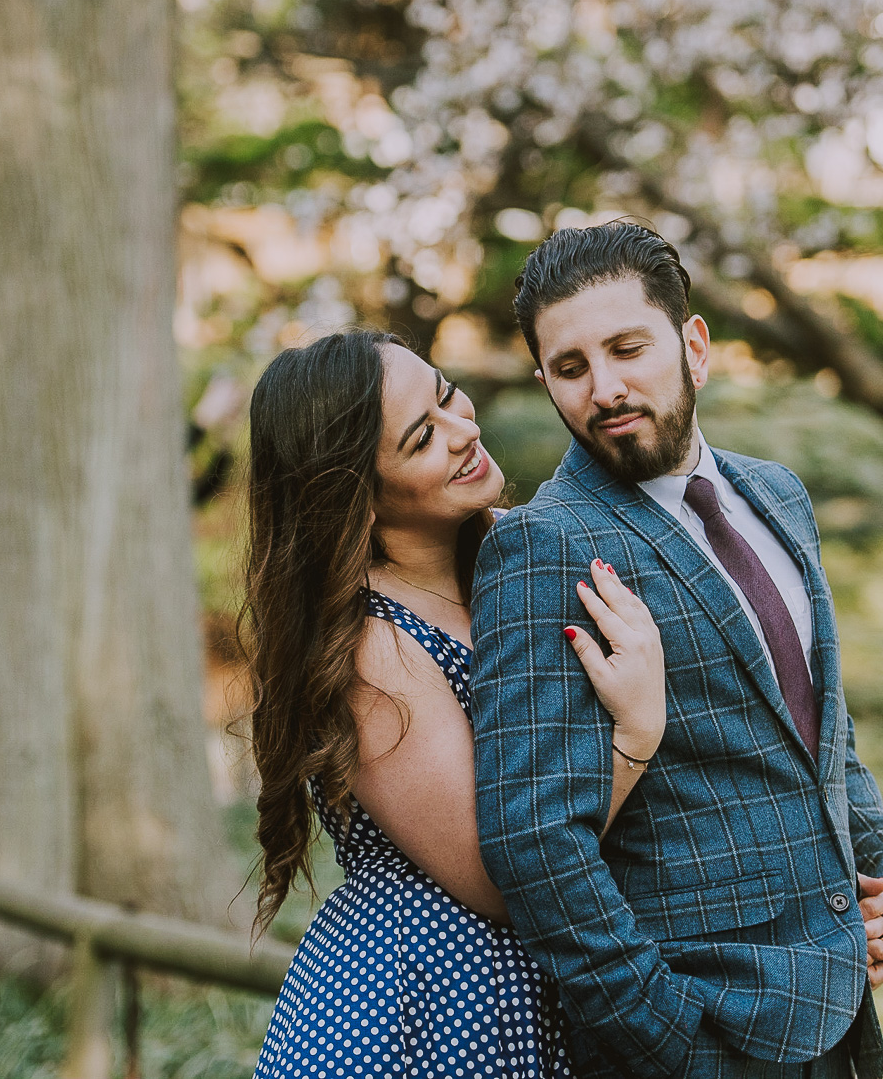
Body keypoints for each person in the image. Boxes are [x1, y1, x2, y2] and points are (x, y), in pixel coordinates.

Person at [471, 220, 883, 1079]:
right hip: (695, 1033)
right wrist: (666, 1037)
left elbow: (818, 733)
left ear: (694, 345)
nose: (604, 387)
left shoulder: (778, 497)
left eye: (626, 349)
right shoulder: (542, 546)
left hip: (840, 1017)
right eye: (570, 369)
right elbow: (534, 839)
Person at [242, 329, 668, 1079]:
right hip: (423, 1003)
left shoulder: (517, 552)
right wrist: (633, 733)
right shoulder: (370, 649)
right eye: (421, 439)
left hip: (550, 978)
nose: (465, 432)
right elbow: (499, 877)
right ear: (358, 501)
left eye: (446, 395)